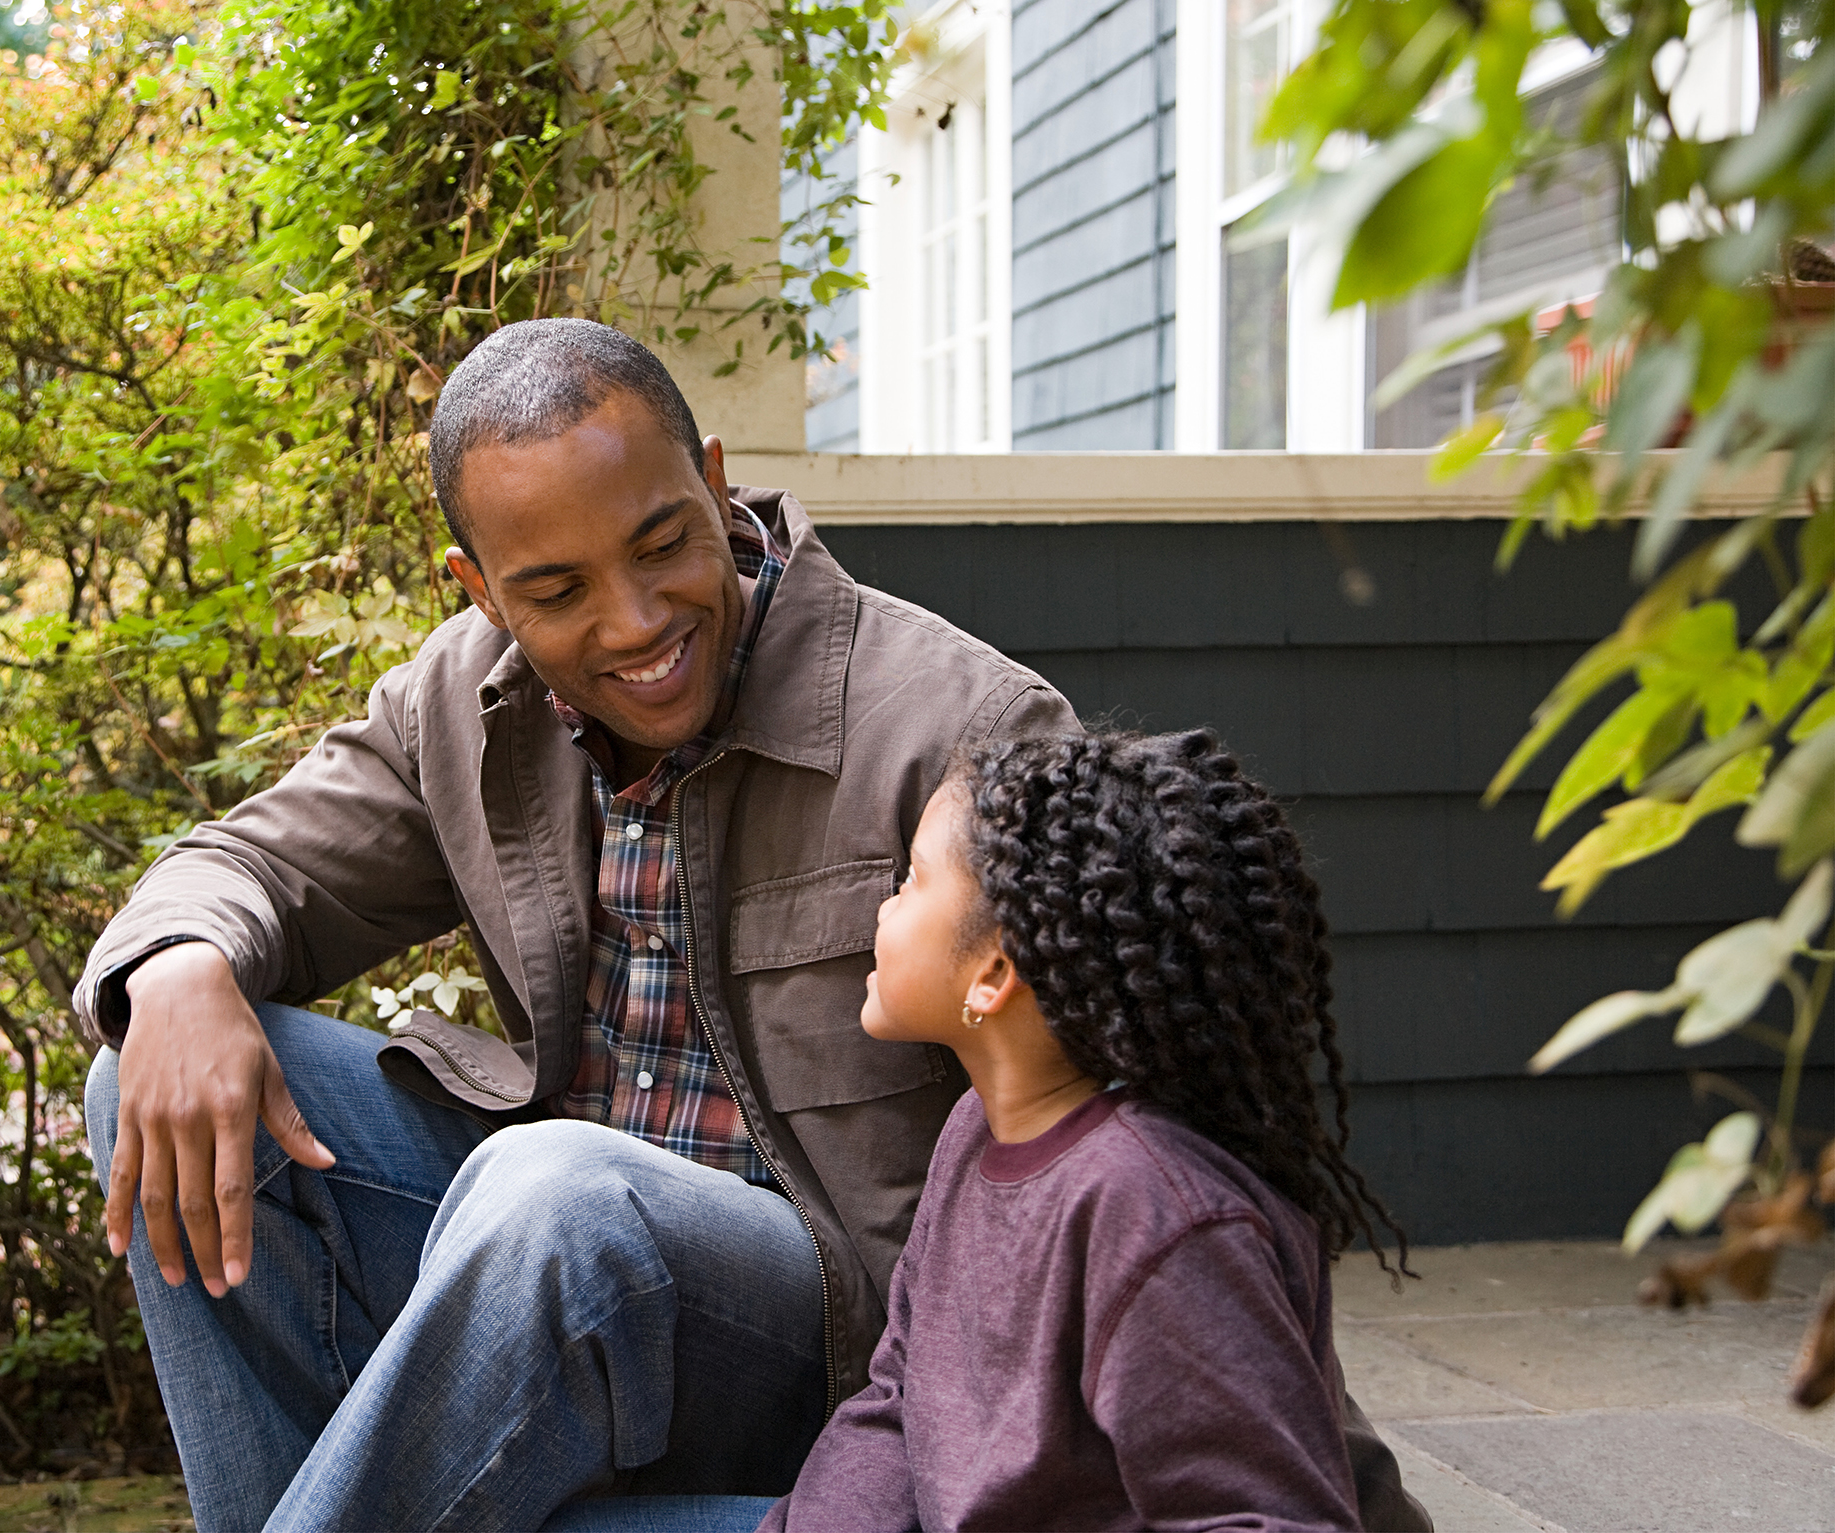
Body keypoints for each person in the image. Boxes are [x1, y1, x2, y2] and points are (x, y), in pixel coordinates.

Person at [75, 319, 1430, 1532]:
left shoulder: (959, 732)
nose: (636, 619)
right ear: (480, 588)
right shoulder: (462, 708)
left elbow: (1174, 1158)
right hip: (560, 1300)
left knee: (558, 1199)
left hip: (846, 1363)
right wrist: (183, 964)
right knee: (153, 1072)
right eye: (555, 590)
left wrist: (1325, 1483)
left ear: (716, 482)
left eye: (664, 542)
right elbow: (245, 863)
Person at [744, 730, 1410, 1532]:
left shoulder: (1156, 1213)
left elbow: (1265, 1518)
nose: (883, 903)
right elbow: (896, 1402)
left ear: (994, 974)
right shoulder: (973, 1134)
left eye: (913, 879)